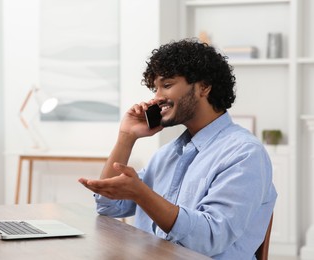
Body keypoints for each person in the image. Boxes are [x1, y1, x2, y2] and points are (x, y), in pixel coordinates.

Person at [78, 38, 277, 259]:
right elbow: (109, 206)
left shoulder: (244, 154)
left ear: (204, 87)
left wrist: (142, 194)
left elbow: (210, 238)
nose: (157, 97)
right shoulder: (167, 155)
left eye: (167, 85)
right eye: (155, 88)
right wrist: (127, 137)